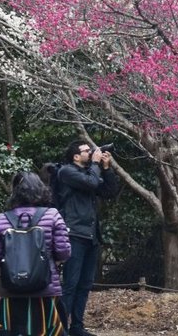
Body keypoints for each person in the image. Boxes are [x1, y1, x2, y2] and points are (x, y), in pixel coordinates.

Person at [0, 171, 72, 336]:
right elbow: (63, 252)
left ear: (15, 193)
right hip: (45, 288)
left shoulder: (2, 218)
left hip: (12, 290)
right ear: (41, 189)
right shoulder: (52, 215)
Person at [55, 141, 120, 336]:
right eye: (86, 151)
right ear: (76, 156)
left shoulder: (90, 172)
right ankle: (61, 329)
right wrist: (95, 163)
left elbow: (110, 192)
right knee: (71, 284)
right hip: (74, 234)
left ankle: (77, 327)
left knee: (85, 284)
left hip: (91, 235)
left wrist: (106, 168)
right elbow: (91, 183)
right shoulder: (66, 172)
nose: (91, 153)